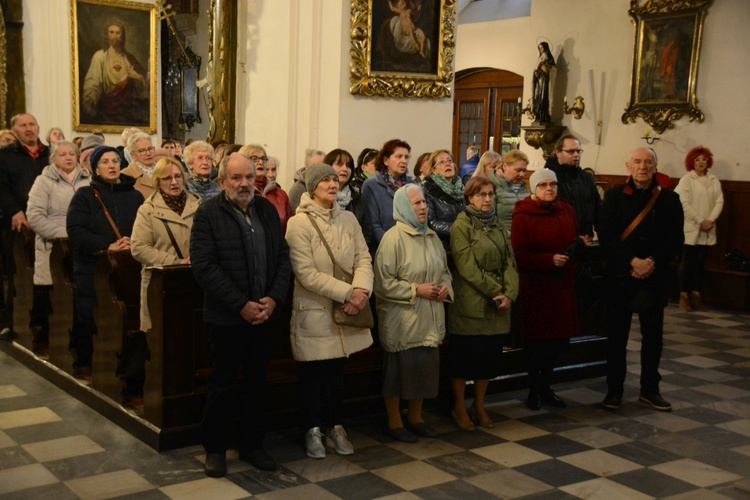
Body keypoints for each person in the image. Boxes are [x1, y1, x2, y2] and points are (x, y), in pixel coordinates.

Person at [190, 153, 291, 477]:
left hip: (264, 314)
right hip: (228, 317)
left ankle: (251, 445)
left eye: (249, 177)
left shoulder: (265, 209)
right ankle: (216, 449)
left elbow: (283, 258)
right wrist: (241, 305)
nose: (245, 183)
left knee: (257, 383)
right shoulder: (208, 213)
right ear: (223, 182)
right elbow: (204, 267)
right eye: (237, 178)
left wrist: (273, 299)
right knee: (222, 384)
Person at [285, 163, 373, 459]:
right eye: (325, 180)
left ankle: (336, 426)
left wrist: (361, 292)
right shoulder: (299, 224)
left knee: (336, 372)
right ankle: (312, 430)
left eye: (335, 180)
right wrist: (349, 293)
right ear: (312, 187)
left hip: (348, 308)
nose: (333, 184)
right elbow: (306, 274)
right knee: (312, 374)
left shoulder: (348, 219)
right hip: (315, 309)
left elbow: (364, 257)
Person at [599, 147, 683, 412]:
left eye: (648, 162)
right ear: (628, 166)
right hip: (621, 277)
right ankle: (614, 391)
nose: (642, 166)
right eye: (637, 161)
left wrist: (651, 262)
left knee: (653, 338)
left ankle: (650, 390)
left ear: (655, 166)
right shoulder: (612, 198)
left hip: (654, 278)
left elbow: (675, 240)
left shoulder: (670, 199)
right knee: (616, 339)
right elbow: (607, 236)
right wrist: (632, 261)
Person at [374, 184, 453, 443]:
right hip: (403, 318)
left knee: (423, 370)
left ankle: (416, 418)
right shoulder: (392, 238)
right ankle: (394, 421)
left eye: (423, 203)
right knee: (398, 373)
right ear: (404, 207)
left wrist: (445, 289)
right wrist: (415, 289)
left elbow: (444, 272)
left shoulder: (431, 236)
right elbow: (382, 283)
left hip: (429, 316)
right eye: (417, 203)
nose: (423, 207)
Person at [66, 145, 143, 382]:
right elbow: (76, 231)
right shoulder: (85, 196)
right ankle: (92, 364)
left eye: (115, 161)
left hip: (128, 268)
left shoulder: (135, 194)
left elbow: (144, 226)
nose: (112, 165)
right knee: (94, 316)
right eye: (105, 162)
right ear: (95, 168)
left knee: (126, 318)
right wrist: (108, 244)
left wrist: (135, 242)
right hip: (94, 268)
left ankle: (124, 368)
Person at [449, 177, 518, 430]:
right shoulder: (462, 224)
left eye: (490, 194)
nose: (487, 199)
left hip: (497, 302)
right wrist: (496, 290)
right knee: (464, 358)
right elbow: (466, 267)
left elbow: (510, 261)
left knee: (488, 359)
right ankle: (458, 406)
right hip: (472, 301)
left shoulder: (498, 224)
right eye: (481, 195)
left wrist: (510, 292)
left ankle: (479, 405)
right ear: (470, 198)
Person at [511, 168, 582, 410]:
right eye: (543, 185)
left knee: (556, 344)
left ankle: (546, 387)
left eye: (552, 184)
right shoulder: (523, 214)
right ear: (533, 189)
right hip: (536, 287)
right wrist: (548, 260)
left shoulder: (567, 210)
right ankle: (534, 389)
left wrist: (577, 245)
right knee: (536, 344)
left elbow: (572, 237)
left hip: (561, 286)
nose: (549, 189)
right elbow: (519, 254)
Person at [26, 140, 91, 357]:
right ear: (53, 159)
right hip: (53, 247)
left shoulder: (87, 180)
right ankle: (49, 341)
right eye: (62, 154)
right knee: (53, 296)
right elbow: (34, 216)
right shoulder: (43, 182)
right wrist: (62, 236)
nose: (68, 158)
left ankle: (77, 344)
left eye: (72, 154)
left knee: (78, 295)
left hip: (81, 247)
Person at [0, 113, 50, 340]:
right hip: (18, 224)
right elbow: (2, 188)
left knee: (49, 274)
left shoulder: (51, 154)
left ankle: (45, 323)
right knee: (18, 273)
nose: (29, 129)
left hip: (49, 225)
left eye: (32, 124)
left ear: (38, 127)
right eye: (23, 125)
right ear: (15, 131)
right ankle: (12, 322)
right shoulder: (5, 156)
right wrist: (14, 211)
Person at [674, 145, 723, 311]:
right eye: (697, 160)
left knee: (699, 263)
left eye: (704, 159)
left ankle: (696, 296)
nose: (701, 162)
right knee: (687, 262)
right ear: (691, 162)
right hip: (692, 227)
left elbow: (719, 201)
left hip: (707, 228)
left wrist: (710, 220)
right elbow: (683, 203)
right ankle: (684, 297)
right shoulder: (686, 180)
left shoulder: (714, 180)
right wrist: (700, 220)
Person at [82, 22, 148, 125]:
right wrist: (90, 99)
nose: (115, 36)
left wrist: (138, 77)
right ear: (107, 35)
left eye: (118, 33)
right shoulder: (100, 56)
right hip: (106, 111)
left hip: (127, 113)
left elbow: (147, 80)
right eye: (111, 32)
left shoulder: (129, 59)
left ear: (122, 36)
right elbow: (93, 80)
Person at [544, 135, 601, 242]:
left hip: (587, 239)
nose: (576, 155)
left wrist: (604, 235)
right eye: (571, 151)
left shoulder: (586, 177)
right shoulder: (548, 178)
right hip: (560, 242)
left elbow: (598, 209)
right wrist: (573, 238)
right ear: (558, 152)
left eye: (578, 151)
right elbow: (547, 216)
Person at [361, 139, 415, 248]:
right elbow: (373, 224)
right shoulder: (371, 185)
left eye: (406, 157)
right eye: (399, 156)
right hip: (385, 246)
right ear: (386, 160)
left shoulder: (413, 185)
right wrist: (392, 245)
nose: (404, 161)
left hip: (412, 245)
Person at [239, 144, 293, 232]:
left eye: (263, 159)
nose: (260, 162)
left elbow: (289, 230)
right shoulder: (239, 192)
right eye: (254, 159)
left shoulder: (281, 195)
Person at [324, 149, 371, 245]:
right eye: (340, 164)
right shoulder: (321, 196)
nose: (345, 169)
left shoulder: (357, 197)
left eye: (349, 166)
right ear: (328, 167)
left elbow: (366, 229)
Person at [422, 149, 465, 252]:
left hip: (463, 244)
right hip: (441, 247)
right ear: (433, 170)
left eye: (450, 161)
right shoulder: (428, 190)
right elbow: (431, 222)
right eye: (441, 162)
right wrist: (458, 228)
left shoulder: (462, 188)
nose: (447, 164)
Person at [490, 150, 530, 232]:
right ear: (505, 166)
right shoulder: (491, 185)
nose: (522, 174)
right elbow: (489, 219)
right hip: (502, 239)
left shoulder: (524, 188)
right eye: (518, 170)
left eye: (524, 171)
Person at [288, 148, 326, 214]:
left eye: (324, 167)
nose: (321, 171)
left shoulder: (328, 185)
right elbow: (294, 215)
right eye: (316, 167)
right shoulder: (298, 188)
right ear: (306, 169)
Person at [121, 132, 156, 199]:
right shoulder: (125, 175)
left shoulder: (164, 169)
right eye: (142, 151)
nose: (148, 153)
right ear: (133, 155)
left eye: (150, 148)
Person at [532, 42, 555, 124]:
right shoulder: (539, 58)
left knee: (543, 97)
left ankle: (543, 115)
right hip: (539, 82)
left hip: (545, 81)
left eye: (542, 48)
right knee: (537, 97)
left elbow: (553, 69)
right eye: (539, 48)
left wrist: (546, 69)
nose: (541, 49)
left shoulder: (549, 58)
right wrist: (535, 73)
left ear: (545, 48)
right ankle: (538, 115)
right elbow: (535, 69)